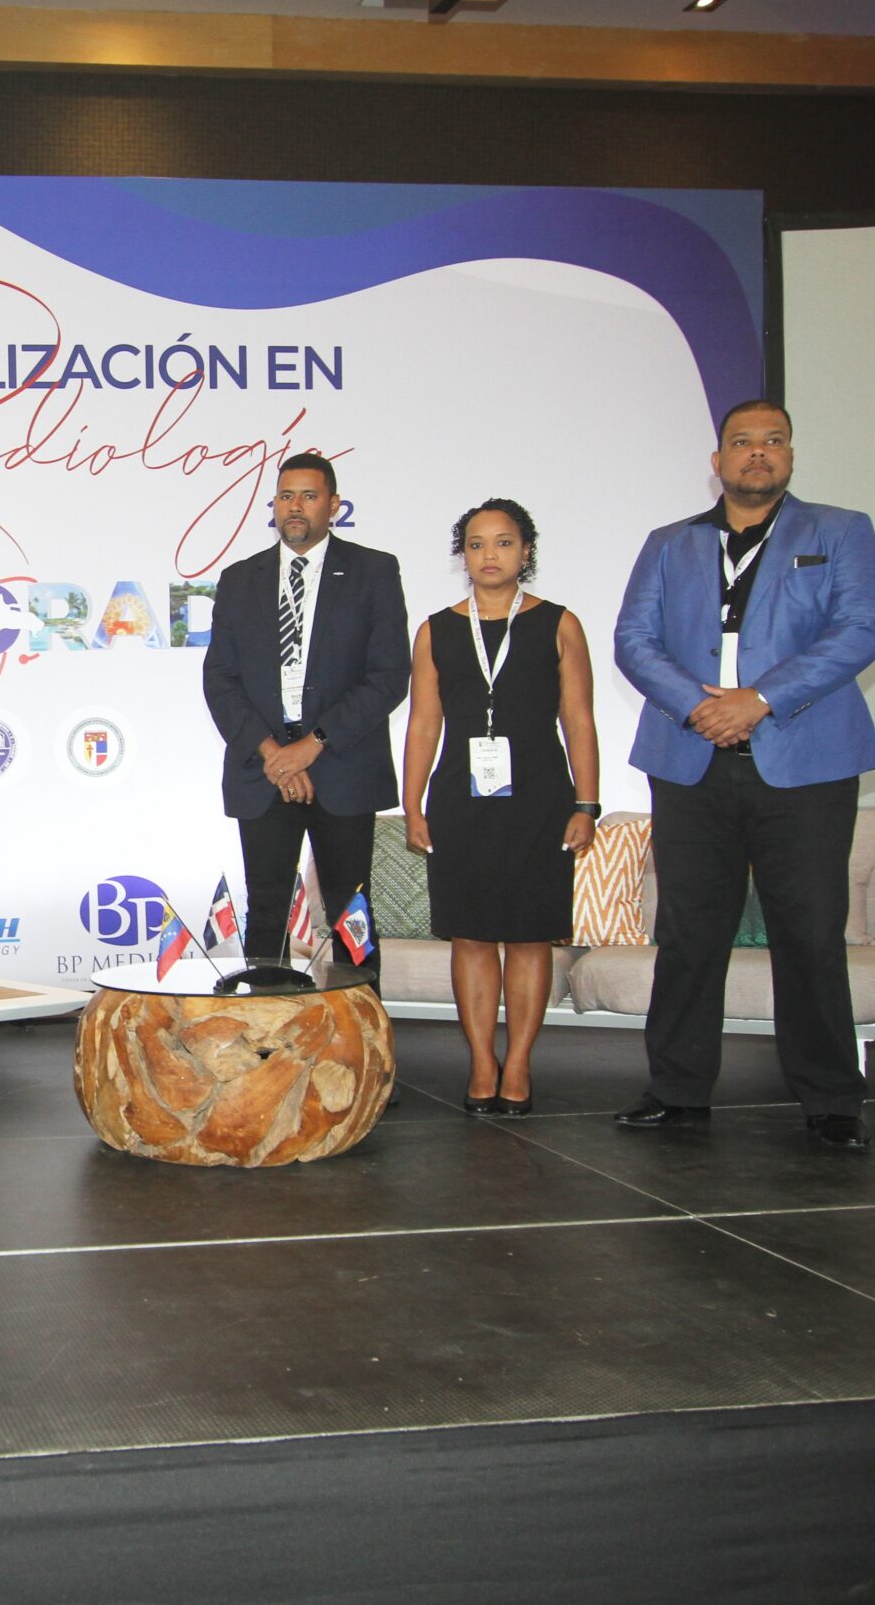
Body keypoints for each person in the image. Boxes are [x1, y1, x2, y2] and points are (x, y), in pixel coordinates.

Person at [612, 399, 875, 1152]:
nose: (757, 453)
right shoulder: (669, 543)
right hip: (691, 760)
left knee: (810, 933)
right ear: (718, 460)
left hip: (805, 764)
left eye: (773, 441)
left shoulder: (841, 531)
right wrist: (699, 708)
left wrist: (758, 701)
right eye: (742, 442)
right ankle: (676, 1090)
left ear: (791, 456)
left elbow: (861, 629)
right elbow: (634, 639)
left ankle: (831, 1099)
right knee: (688, 932)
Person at [400, 500, 600, 1117]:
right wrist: (412, 804)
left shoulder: (560, 624)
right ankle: (483, 1061)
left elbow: (578, 719)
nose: (490, 555)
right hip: (459, 801)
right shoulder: (436, 629)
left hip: (540, 799)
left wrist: (587, 803)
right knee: (471, 936)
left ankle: (519, 1064)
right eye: (477, 543)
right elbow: (423, 722)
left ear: (526, 551)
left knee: (531, 936)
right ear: (463, 555)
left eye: (504, 542)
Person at [200, 452, 409, 975]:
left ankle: (360, 1023)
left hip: (341, 761)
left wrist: (312, 745)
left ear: (333, 505)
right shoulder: (239, 579)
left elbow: (388, 676)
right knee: (266, 909)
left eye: (309, 496)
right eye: (286, 496)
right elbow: (219, 679)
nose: (295, 507)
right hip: (263, 767)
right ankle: (266, 1023)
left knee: (350, 913)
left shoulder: (373, 571)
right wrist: (275, 753)